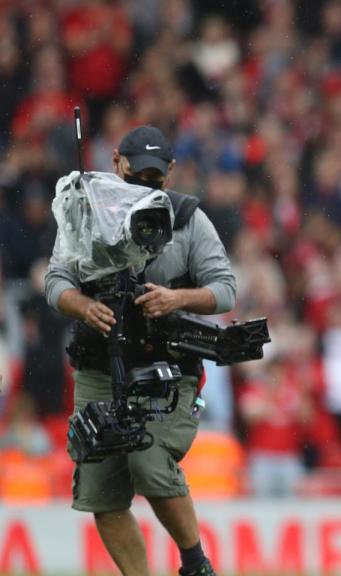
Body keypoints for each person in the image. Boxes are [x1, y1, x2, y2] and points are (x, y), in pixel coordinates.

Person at [45, 125, 236, 576]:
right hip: (98, 367)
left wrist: (178, 298)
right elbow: (55, 283)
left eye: (155, 177)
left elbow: (225, 290)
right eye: (136, 175)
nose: (144, 185)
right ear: (116, 164)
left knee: (149, 462)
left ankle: (195, 563)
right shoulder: (83, 213)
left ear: (169, 174)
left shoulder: (188, 219)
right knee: (102, 493)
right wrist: (85, 305)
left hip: (165, 369)